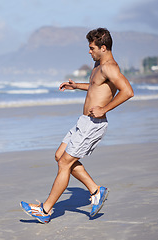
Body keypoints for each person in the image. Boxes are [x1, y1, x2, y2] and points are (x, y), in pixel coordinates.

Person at [20, 28, 134, 223]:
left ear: (103, 47)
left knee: (65, 163)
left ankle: (45, 210)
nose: (89, 52)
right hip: (83, 122)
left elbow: (128, 91)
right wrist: (76, 86)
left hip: (94, 123)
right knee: (59, 156)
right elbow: (96, 87)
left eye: (92, 48)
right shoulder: (99, 65)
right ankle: (96, 191)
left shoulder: (110, 67)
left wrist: (104, 109)